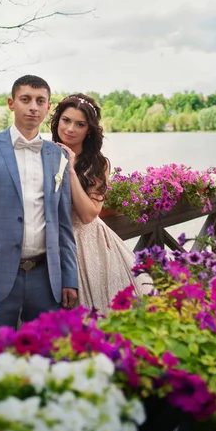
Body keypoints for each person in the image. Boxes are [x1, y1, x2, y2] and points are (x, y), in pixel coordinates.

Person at [0, 75, 78, 351]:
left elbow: (63, 224)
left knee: (47, 358)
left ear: (49, 108)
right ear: (12, 104)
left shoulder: (57, 155)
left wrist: (69, 278)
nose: (33, 107)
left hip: (46, 278)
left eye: (40, 101)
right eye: (25, 100)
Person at [50, 93, 151, 315]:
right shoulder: (42, 155)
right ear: (58, 120)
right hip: (50, 243)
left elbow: (88, 215)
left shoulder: (98, 164)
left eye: (80, 124)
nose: (70, 129)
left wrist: (70, 171)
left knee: (94, 316)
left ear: (89, 130)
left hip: (87, 244)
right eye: (66, 120)